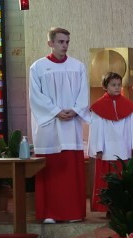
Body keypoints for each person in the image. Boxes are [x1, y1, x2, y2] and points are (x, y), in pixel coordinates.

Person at [29, 27, 90, 223]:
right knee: (51, 171)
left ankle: (73, 213)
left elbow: (83, 93)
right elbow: (35, 97)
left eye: (67, 42)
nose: (65, 46)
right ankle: (49, 213)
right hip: (49, 127)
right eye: (61, 42)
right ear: (50, 43)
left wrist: (75, 110)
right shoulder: (38, 67)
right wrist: (56, 111)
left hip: (71, 125)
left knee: (70, 171)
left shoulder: (78, 66)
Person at [88, 72, 133, 214]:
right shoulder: (98, 107)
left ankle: (121, 207)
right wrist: (98, 148)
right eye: (113, 85)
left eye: (119, 85)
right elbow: (96, 129)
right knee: (107, 180)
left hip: (123, 147)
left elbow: (131, 126)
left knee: (121, 177)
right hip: (106, 149)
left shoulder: (127, 105)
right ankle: (108, 208)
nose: (117, 88)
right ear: (105, 87)